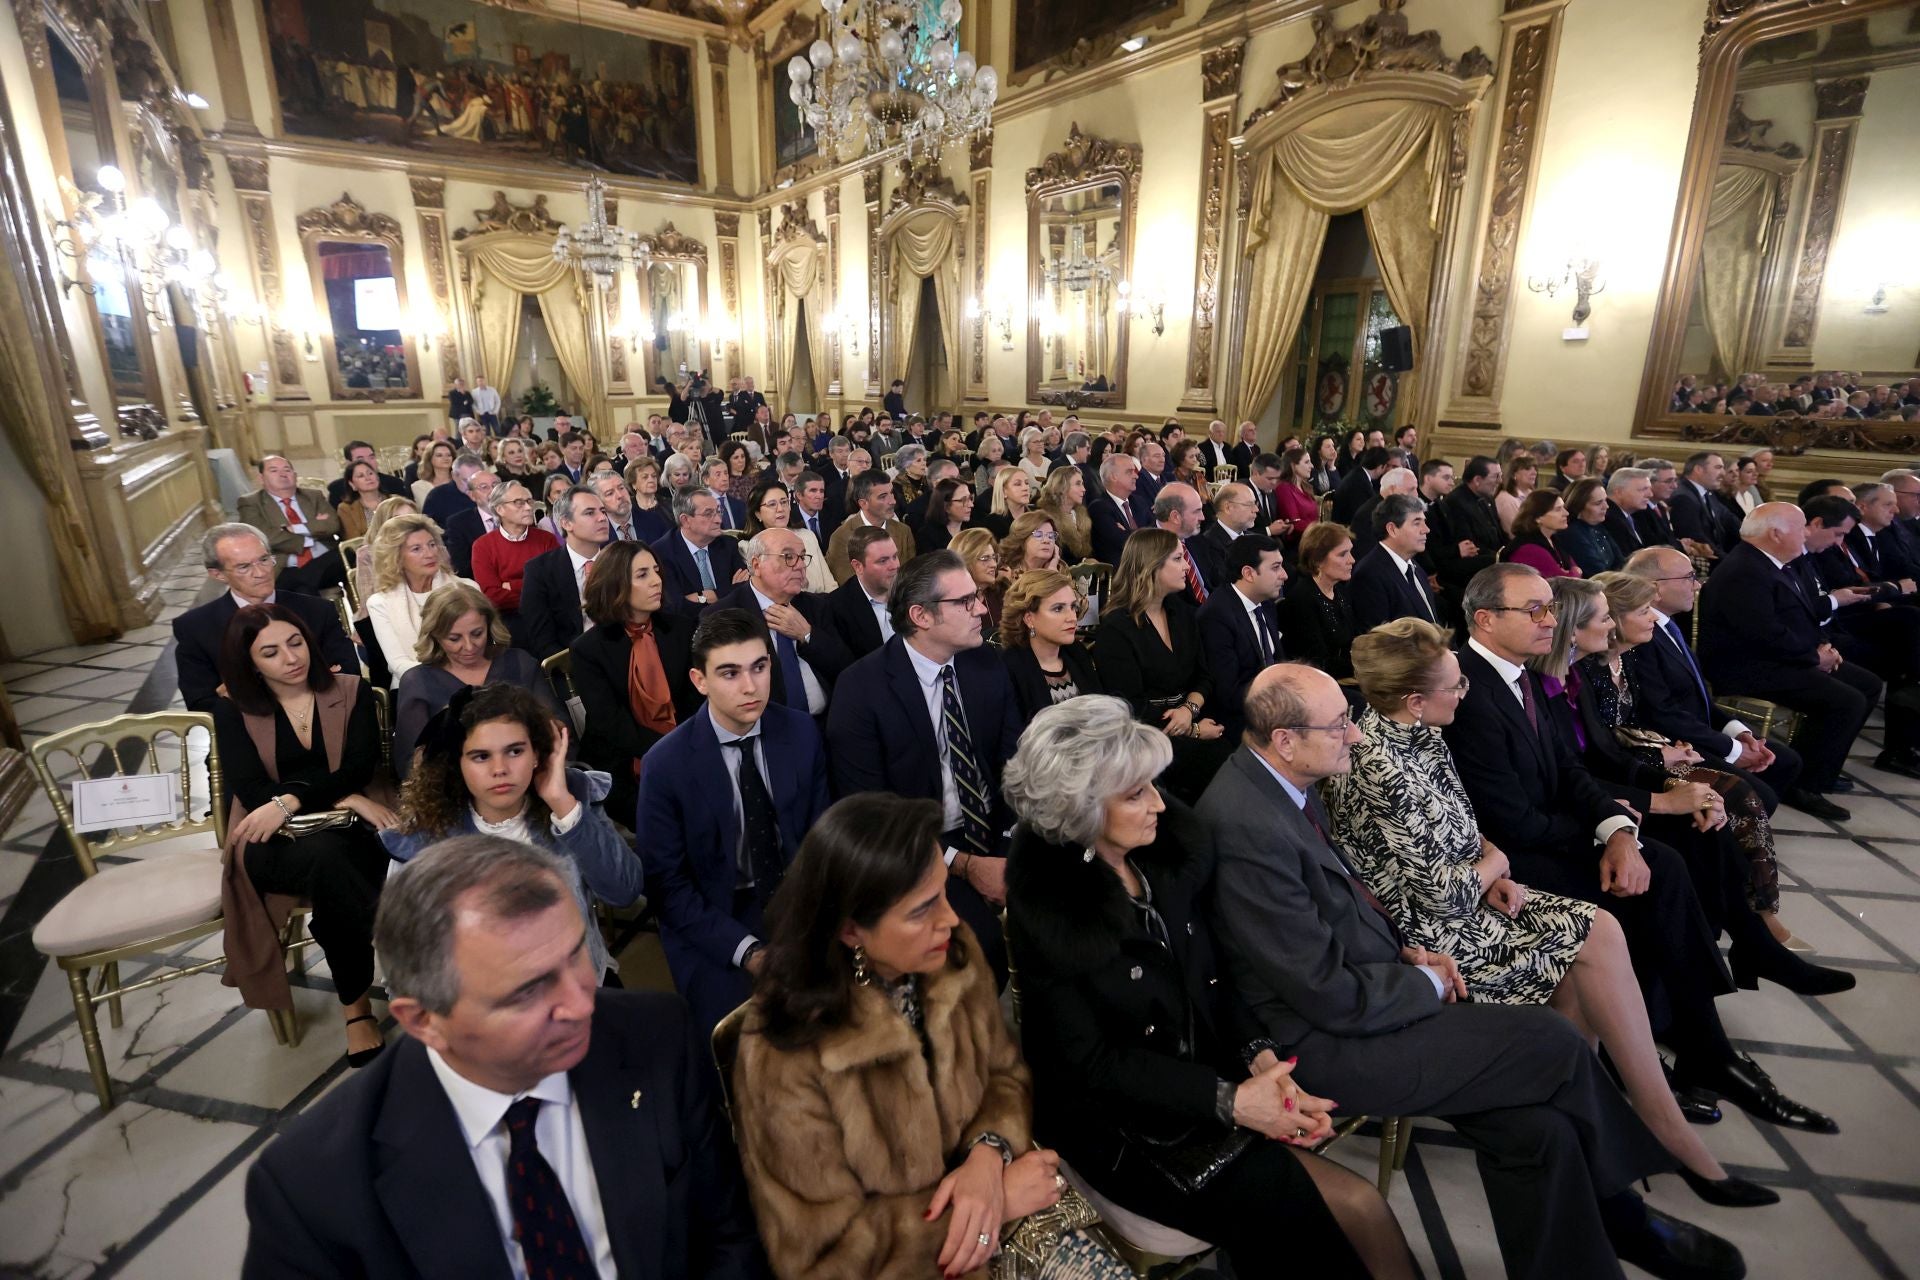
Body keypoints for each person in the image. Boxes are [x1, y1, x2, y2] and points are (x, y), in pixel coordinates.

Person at [1201, 664, 1746, 1280]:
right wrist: (1428, 982)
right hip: (1319, 1047)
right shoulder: (1248, 828)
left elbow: (1339, 907)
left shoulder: (1280, 785)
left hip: (1370, 991)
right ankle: (1629, 1211)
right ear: (1286, 740)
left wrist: (1406, 950)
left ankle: (1611, 1231)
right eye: (1340, 725)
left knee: (1536, 1131)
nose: (1354, 735)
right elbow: (1326, 994)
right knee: (1554, 1040)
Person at [1326, 619, 1777, 1208]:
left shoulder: (1419, 731)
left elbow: (1467, 829)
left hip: (1467, 895)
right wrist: (1494, 865)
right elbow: (1444, 892)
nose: (1465, 692)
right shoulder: (1380, 762)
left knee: (1601, 928)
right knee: (1580, 958)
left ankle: (1624, 1124)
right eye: (1455, 686)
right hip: (1425, 933)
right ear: (1416, 700)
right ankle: (1637, 1129)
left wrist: (1492, 866)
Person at [1004, 696, 1414, 1276]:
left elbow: (1213, 980)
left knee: (1364, 1208)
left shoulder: (1159, 858)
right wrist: (1230, 1100)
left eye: (1154, 785)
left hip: (1203, 1081)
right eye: (1135, 794)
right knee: (1316, 1221)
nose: (1158, 805)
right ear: (1079, 811)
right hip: (1127, 1128)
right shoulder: (1052, 906)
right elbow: (1090, 1065)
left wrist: (1262, 1060)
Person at [241, 836, 766, 1280]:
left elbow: (727, 1235)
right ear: (423, 1019)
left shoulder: (657, 1036)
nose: (584, 1003)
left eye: (575, 954)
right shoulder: (309, 1191)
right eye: (528, 991)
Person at [1449, 563, 1837, 1135]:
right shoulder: (1468, 689)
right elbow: (1514, 820)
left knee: (1670, 858)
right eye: (1534, 610)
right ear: (1485, 619)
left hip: (1546, 831)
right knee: (1659, 872)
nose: (1549, 620)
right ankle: (1674, 1050)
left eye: (1550, 608)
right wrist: (1614, 834)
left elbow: (1569, 770)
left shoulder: (1520, 674)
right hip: (1506, 859)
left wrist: (1619, 831)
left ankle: (1702, 1041)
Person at [730, 793, 1119, 1279]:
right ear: (851, 931)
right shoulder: (783, 1052)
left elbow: (1005, 1072)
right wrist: (988, 1210)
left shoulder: (948, 955)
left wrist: (988, 1152)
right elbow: (821, 1254)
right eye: (922, 909)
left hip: (1004, 1196)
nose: (952, 920)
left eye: (943, 893)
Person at [1546, 576, 1853, 995]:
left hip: (1628, 767)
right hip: (1599, 791)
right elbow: (1586, 761)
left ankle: (1750, 942)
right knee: (1700, 826)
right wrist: (1658, 793)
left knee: (1712, 813)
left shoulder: (1581, 671)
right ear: (1575, 628)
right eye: (1612, 617)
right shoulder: (1569, 676)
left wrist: (1673, 780)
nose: (1623, 624)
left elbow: (1664, 715)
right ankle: (1738, 954)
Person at [823, 550, 1020, 985]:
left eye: (978, 597)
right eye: (966, 602)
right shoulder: (861, 689)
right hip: (920, 847)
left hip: (994, 829)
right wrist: (965, 864)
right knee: (976, 948)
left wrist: (1006, 847)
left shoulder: (986, 664)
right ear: (921, 616)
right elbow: (872, 816)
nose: (983, 609)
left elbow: (1012, 769)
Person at [1587, 571, 1811, 951]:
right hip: (1629, 764)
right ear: (1618, 620)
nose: (1653, 619)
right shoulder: (1588, 668)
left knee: (1737, 797)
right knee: (1728, 801)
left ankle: (1753, 917)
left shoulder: (1627, 660)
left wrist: (1676, 748)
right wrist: (1662, 753)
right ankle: (1749, 923)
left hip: (1651, 750)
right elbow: (1602, 743)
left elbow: (1645, 718)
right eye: (1644, 612)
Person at [213, 604, 391, 1066]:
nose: (290, 658)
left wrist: (293, 799)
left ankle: (355, 1000)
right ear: (250, 662)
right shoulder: (233, 709)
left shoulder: (351, 690)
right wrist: (343, 794)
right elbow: (252, 790)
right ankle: (366, 996)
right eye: (270, 652)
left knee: (336, 861)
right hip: (269, 840)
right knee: (332, 862)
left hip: (349, 831)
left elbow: (359, 766)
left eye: (295, 643)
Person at [637, 609, 829, 1035]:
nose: (750, 686)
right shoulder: (666, 765)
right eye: (729, 673)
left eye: (760, 667)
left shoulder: (800, 732)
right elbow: (668, 887)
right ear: (699, 680)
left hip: (795, 898)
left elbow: (822, 839)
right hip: (713, 916)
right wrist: (750, 952)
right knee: (743, 1040)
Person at [382, 683, 643, 914]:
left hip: (575, 967)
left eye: (515, 751)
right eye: (481, 756)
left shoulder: (573, 798)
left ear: (537, 754)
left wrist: (562, 803)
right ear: (457, 763)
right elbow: (402, 949)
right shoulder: (423, 838)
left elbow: (624, 892)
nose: (500, 769)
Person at [1698, 503, 1880, 799]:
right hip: (1747, 667)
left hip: (1778, 657)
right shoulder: (1745, 571)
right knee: (1845, 701)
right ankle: (1805, 785)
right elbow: (1764, 634)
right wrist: (1813, 658)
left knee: (1867, 685)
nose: (1806, 533)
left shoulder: (1773, 563)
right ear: (1776, 534)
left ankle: (1822, 766)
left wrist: (1822, 647)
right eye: (1800, 528)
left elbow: (1801, 615)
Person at [1619, 544, 1815, 815]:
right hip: (1675, 742)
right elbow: (1661, 713)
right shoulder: (1642, 637)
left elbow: (1699, 695)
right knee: (1760, 794)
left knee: (1786, 761)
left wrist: (1740, 733)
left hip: (1696, 729)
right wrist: (1732, 750)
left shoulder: (1668, 625)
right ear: (1656, 587)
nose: (1697, 585)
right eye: (1689, 577)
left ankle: (1746, 834)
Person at [1096, 528, 1230, 804]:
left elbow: (1204, 676)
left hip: (1186, 717)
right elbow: (1128, 703)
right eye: (1178, 559)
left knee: (1234, 752)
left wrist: (1188, 710)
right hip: (1145, 733)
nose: (1186, 567)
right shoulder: (1116, 626)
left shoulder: (1182, 613)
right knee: (1218, 764)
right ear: (1152, 565)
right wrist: (1192, 729)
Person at [174, 524, 360, 713]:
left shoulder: (318, 610)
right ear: (218, 574)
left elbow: (348, 676)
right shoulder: (194, 627)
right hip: (245, 734)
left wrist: (243, 692)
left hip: (322, 720)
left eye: (264, 559)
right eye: (244, 567)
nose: (261, 573)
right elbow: (201, 703)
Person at [391, 581, 552, 775]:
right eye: (454, 639)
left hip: (530, 776)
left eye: (477, 634)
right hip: (452, 792)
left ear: (490, 626)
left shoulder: (520, 663)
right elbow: (410, 766)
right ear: (434, 636)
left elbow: (556, 730)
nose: (469, 647)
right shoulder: (417, 682)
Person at [705, 528, 853, 716]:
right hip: (765, 727)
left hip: (827, 722)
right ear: (756, 565)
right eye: (788, 557)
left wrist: (807, 635)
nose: (800, 566)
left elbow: (845, 666)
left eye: (802, 557)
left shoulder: (816, 606)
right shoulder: (722, 615)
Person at [1198, 534, 1288, 738]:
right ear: (1248, 573)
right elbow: (1228, 693)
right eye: (1275, 567)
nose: (1284, 575)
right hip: (1241, 721)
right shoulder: (1216, 616)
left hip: (1273, 705)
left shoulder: (1264, 603)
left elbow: (1277, 662)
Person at [365, 513, 471, 682]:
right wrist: (444, 680)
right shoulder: (380, 603)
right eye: (417, 549)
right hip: (415, 684)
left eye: (431, 544)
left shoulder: (467, 589)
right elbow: (398, 663)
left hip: (472, 675)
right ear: (397, 557)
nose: (429, 554)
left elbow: (491, 643)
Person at [1000, 569, 1100, 726]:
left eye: (1073, 607)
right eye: (1058, 609)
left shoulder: (1077, 653)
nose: (1072, 617)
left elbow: (1101, 712)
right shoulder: (1011, 668)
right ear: (1029, 619)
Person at [469, 480, 559, 652]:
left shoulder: (546, 539)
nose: (527, 507)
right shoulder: (482, 546)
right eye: (519, 502)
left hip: (550, 617)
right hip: (511, 622)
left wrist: (511, 585)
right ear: (499, 509)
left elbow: (558, 585)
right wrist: (537, 590)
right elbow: (492, 596)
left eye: (529, 501)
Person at [238, 455, 347, 595]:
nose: (283, 474)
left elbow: (332, 525)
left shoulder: (313, 496)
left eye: (287, 470)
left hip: (327, 562)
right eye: (274, 470)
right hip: (287, 567)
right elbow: (263, 537)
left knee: (350, 555)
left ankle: (302, 583)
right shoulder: (251, 503)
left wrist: (292, 529)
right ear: (261, 478)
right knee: (302, 588)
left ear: (294, 475)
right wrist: (310, 535)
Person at [1277, 522, 1357, 683]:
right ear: (1317, 560)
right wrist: (1366, 668)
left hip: (1346, 675)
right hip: (1317, 683)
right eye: (1343, 554)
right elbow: (1318, 662)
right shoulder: (1302, 600)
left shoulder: (1340, 590)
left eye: (1351, 552)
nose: (1352, 560)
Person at [1350, 495, 1443, 631]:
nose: (1426, 529)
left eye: (1424, 522)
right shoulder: (1369, 575)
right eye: (1417, 523)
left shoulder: (1415, 567)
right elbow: (1379, 640)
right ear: (1392, 529)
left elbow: (1433, 622)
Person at [826, 470, 918, 583]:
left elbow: (911, 577)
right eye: (883, 496)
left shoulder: (904, 531)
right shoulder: (841, 538)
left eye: (892, 493)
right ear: (863, 503)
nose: (893, 501)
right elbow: (847, 583)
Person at [746, 480, 834, 594]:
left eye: (784, 502)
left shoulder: (807, 536)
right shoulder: (749, 546)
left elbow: (830, 585)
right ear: (758, 513)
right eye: (772, 504)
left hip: (823, 604)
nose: (780, 509)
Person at [825, 525, 899, 660]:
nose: (894, 566)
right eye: (883, 561)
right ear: (858, 566)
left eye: (895, 556)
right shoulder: (837, 608)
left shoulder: (912, 592)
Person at [1501, 489, 1583, 580]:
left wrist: (1574, 572)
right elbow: (1564, 582)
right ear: (1538, 517)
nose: (1566, 513)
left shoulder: (1553, 539)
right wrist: (1576, 571)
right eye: (1558, 509)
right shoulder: (1529, 549)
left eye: (1564, 508)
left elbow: (1572, 571)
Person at [442, 467, 500, 579]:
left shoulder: (516, 515)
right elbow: (461, 567)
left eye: (495, 485)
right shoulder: (458, 523)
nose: (492, 491)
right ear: (472, 495)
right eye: (484, 487)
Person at [1560, 478, 1623, 577]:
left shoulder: (1597, 525)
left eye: (1605, 500)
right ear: (1578, 506)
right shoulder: (1572, 533)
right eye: (1598, 503)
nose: (1606, 506)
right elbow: (1597, 572)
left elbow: (1620, 561)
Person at [950, 527, 1004, 638]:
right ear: (965, 561)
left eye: (994, 557)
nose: (993, 564)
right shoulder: (953, 602)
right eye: (985, 558)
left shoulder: (1000, 593)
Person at [326, 440, 409, 509]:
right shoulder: (337, 488)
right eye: (360, 459)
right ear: (349, 463)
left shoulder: (395, 483)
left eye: (371, 457)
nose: (368, 462)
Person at [1036, 464, 1091, 563]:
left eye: (1082, 484)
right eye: (1078, 484)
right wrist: (1084, 562)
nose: (1084, 489)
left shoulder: (1083, 515)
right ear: (1061, 488)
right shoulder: (1046, 519)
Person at [334, 458, 389, 541]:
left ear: (377, 477)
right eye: (361, 476)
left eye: (370, 473)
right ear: (352, 484)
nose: (368, 478)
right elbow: (354, 541)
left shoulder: (395, 500)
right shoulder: (346, 508)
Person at [918, 475, 976, 554]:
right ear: (945, 506)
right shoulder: (927, 536)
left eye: (970, 498)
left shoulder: (975, 528)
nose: (971, 505)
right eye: (963, 500)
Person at [1496, 454, 1537, 536]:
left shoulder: (1532, 494)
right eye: (1527, 469)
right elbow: (1514, 532)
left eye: (1535, 469)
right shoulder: (1506, 499)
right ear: (1514, 474)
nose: (1534, 473)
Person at [411, 440, 457, 507]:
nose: (445, 458)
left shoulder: (460, 481)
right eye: (439, 455)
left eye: (449, 455)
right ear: (429, 458)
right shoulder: (419, 486)